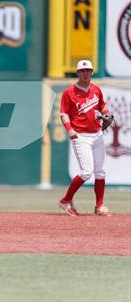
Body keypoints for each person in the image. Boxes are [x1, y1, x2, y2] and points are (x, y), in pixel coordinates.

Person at [58, 60, 112, 216]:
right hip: (81, 135)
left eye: (88, 70)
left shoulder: (96, 90)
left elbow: (102, 105)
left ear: (92, 72)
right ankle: (65, 200)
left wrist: (106, 113)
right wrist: (69, 130)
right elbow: (64, 113)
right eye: (82, 71)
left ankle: (99, 206)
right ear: (77, 73)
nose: (85, 73)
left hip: (97, 134)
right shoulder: (69, 92)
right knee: (86, 172)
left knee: (100, 172)